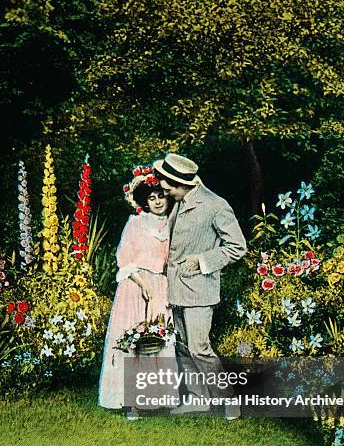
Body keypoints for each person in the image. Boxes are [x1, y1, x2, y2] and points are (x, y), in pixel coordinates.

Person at [153, 153, 247, 419]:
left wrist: (202, 260)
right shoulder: (179, 202)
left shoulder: (215, 205)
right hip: (175, 289)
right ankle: (198, 398)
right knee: (182, 346)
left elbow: (238, 247)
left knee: (199, 348)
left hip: (199, 290)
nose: (163, 188)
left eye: (167, 184)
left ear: (182, 183)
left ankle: (228, 400)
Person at [98, 167, 177, 419]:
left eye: (160, 196)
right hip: (135, 286)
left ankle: (157, 398)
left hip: (160, 286)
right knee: (132, 339)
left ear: (167, 198)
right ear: (145, 201)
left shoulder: (173, 225)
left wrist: (161, 285)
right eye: (151, 198)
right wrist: (142, 284)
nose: (157, 201)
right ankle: (130, 402)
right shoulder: (135, 223)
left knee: (157, 339)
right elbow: (124, 258)